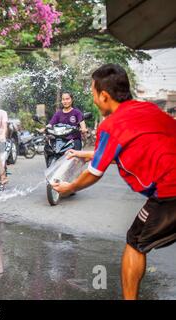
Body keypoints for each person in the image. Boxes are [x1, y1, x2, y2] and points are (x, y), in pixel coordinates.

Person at [52, 64, 176, 300]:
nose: (93, 97)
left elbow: (94, 173)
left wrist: (71, 187)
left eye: (92, 92)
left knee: (135, 242)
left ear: (104, 96)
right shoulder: (146, 109)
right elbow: (114, 153)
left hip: (170, 189)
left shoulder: (111, 124)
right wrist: (84, 154)